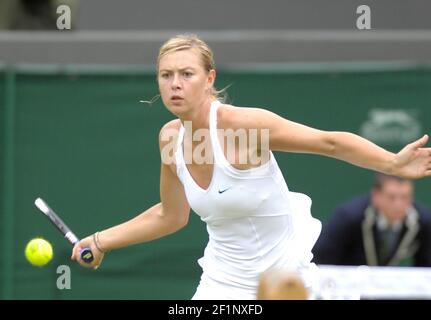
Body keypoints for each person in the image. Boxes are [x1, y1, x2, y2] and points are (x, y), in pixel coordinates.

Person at [71, 34, 431, 299]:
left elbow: (329, 142)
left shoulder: (244, 127)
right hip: (221, 283)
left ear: (209, 78)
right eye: (166, 76)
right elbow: (171, 215)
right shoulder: (170, 138)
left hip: (283, 284)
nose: (175, 85)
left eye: (186, 74)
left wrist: (392, 163)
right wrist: (102, 241)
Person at [312, 174, 431, 267]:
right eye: (391, 197)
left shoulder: (422, 222)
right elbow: (321, 260)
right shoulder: (348, 217)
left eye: (405, 197)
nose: (398, 205)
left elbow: (426, 268)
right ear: (376, 196)